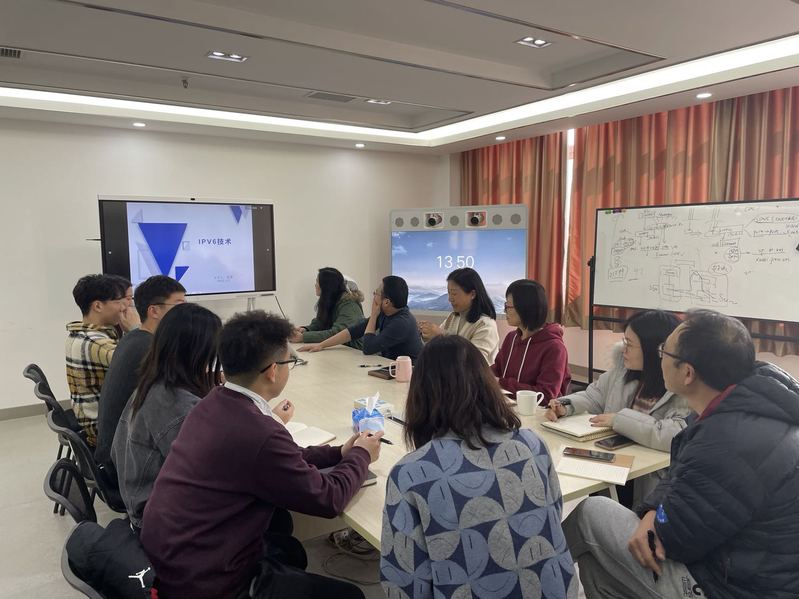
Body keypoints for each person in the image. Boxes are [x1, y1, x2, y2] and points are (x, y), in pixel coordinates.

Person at [140, 310, 383, 599]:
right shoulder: (259, 431)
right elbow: (329, 498)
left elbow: (280, 456)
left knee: (290, 548)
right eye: (290, 362)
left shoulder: (213, 402)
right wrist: (361, 455)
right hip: (207, 580)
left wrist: (339, 453)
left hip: (173, 556)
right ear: (272, 371)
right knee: (349, 595)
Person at [562, 309, 799, 599]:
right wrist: (653, 508)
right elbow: (685, 470)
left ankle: (529, 569)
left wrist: (657, 520)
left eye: (664, 351)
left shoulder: (728, 440)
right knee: (597, 562)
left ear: (687, 373)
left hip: (728, 586)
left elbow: (676, 540)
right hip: (737, 565)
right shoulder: (739, 405)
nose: (658, 356)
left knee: (591, 513)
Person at [381, 335, 578, 599]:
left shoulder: (410, 474)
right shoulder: (533, 444)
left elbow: (403, 584)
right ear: (487, 384)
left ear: (420, 395)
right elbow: (553, 513)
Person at [546, 309, 689, 502]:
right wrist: (565, 405)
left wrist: (619, 420)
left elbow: (674, 435)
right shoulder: (623, 370)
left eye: (629, 344)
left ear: (653, 349)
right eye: (624, 342)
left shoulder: (680, 387)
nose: (624, 350)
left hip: (646, 479)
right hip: (609, 463)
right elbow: (594, 396)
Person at [111, 303, 223, 528]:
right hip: (160, 519)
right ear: (199, 353)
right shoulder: (177, 406)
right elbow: (214, 473)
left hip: (140, 500)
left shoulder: (153, 384)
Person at [95, 275, 186, 468]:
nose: (186, 312)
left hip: (113, 451)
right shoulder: (150, 350)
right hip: (123, 464)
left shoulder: (133, 338)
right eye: (179, 305)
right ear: (154, 311)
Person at [66, 274, 140, 446]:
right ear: (98, 306)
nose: (126, 306)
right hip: (104, 432)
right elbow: (144, 364)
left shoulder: (83, 333)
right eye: (121, 300)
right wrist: (136, 330)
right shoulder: (96, 342)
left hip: (92, 419)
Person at [299, 275, 423, 361]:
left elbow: (368, 348)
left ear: (386, 302)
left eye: (376, 293)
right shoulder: (387, 312)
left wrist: (373, 315)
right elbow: (353, 331)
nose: (374, 296)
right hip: (392, 369)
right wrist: (321, 345)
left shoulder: (401, 323)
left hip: (411, 375)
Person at [491, 279, 571, 404]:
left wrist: (501, 383)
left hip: (538, 412)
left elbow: (546, 395)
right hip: (506, 406)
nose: (505, 310)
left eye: (508, 306)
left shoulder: (554, 347)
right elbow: (496, 370)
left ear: (525, 308)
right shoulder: (511, 338)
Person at [417, 267, 499, 363]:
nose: (450, 299)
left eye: (454, 294)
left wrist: (440, 337)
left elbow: (474, 361)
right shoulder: (453, 317)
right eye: (449, 293)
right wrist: (427, 335)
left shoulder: (486, 325)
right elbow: (439, 350)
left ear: (472, 294)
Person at [289, 267, 364, 349]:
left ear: (326, 286)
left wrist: (303, 337)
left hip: (355, 350)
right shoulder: (330, 301)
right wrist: (305, 329)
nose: (315, 285)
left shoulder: (350, 305)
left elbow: (337, 334)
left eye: (317, 282)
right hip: (339, 348)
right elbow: (320, 323)